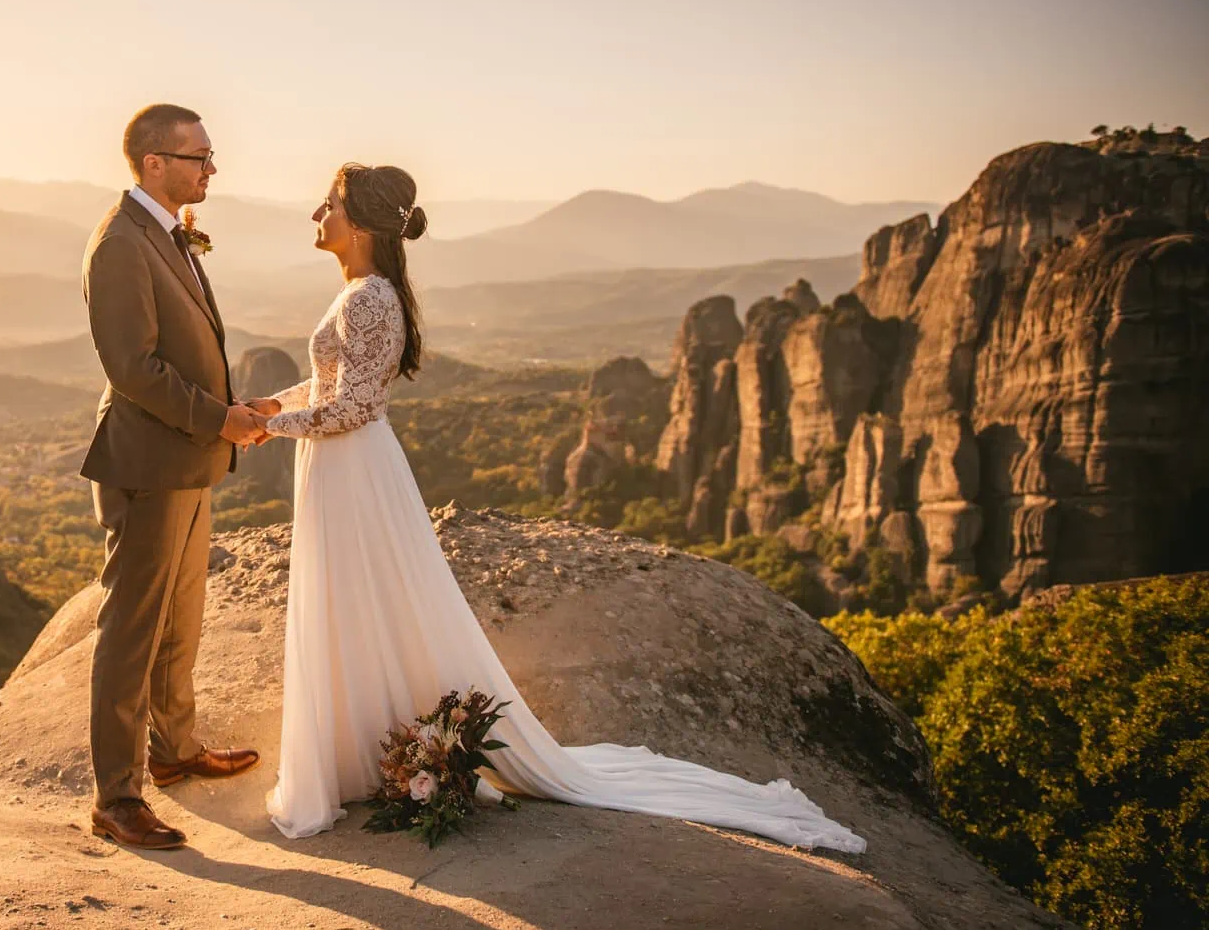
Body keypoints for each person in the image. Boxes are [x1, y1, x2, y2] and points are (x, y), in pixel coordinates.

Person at [248, 163, 866, 853]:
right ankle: (365, 750)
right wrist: (273, 404)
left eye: (328, 204)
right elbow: (336, 383)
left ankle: (361, 751)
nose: (318, 215)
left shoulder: (368, 297)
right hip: (346, 464)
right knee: (357, 602)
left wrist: (264, 427)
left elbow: (357, 406)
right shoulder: (367, 292)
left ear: (360, 222)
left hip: (352, 466)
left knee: (359, 599)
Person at [78, 103, 264, 850]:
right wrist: (219, 418)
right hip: (150, 464)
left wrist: (225, 418)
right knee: (132, 630)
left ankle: (174, 748)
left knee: (180, 617)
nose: (211, 169)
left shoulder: (164, 231)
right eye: (199, 157)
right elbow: (133, 369)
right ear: (154, 162)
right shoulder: (120, 243)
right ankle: (117, 797)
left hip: (187, 460)